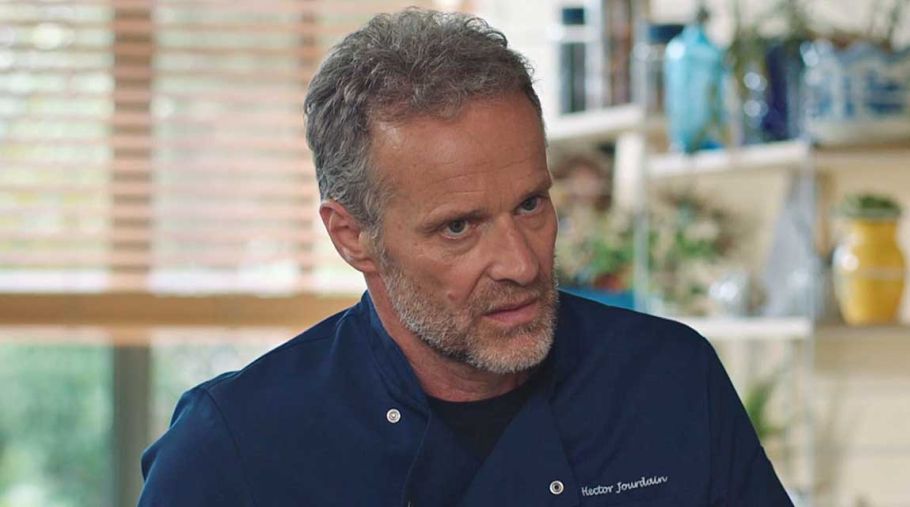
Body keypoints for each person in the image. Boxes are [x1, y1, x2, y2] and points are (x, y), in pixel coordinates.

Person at [139, 9, 793, 506]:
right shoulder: (233, 448)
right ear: (352, 237)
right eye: (459, 227)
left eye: (530, 204)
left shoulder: (671, 380)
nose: (522, 264)